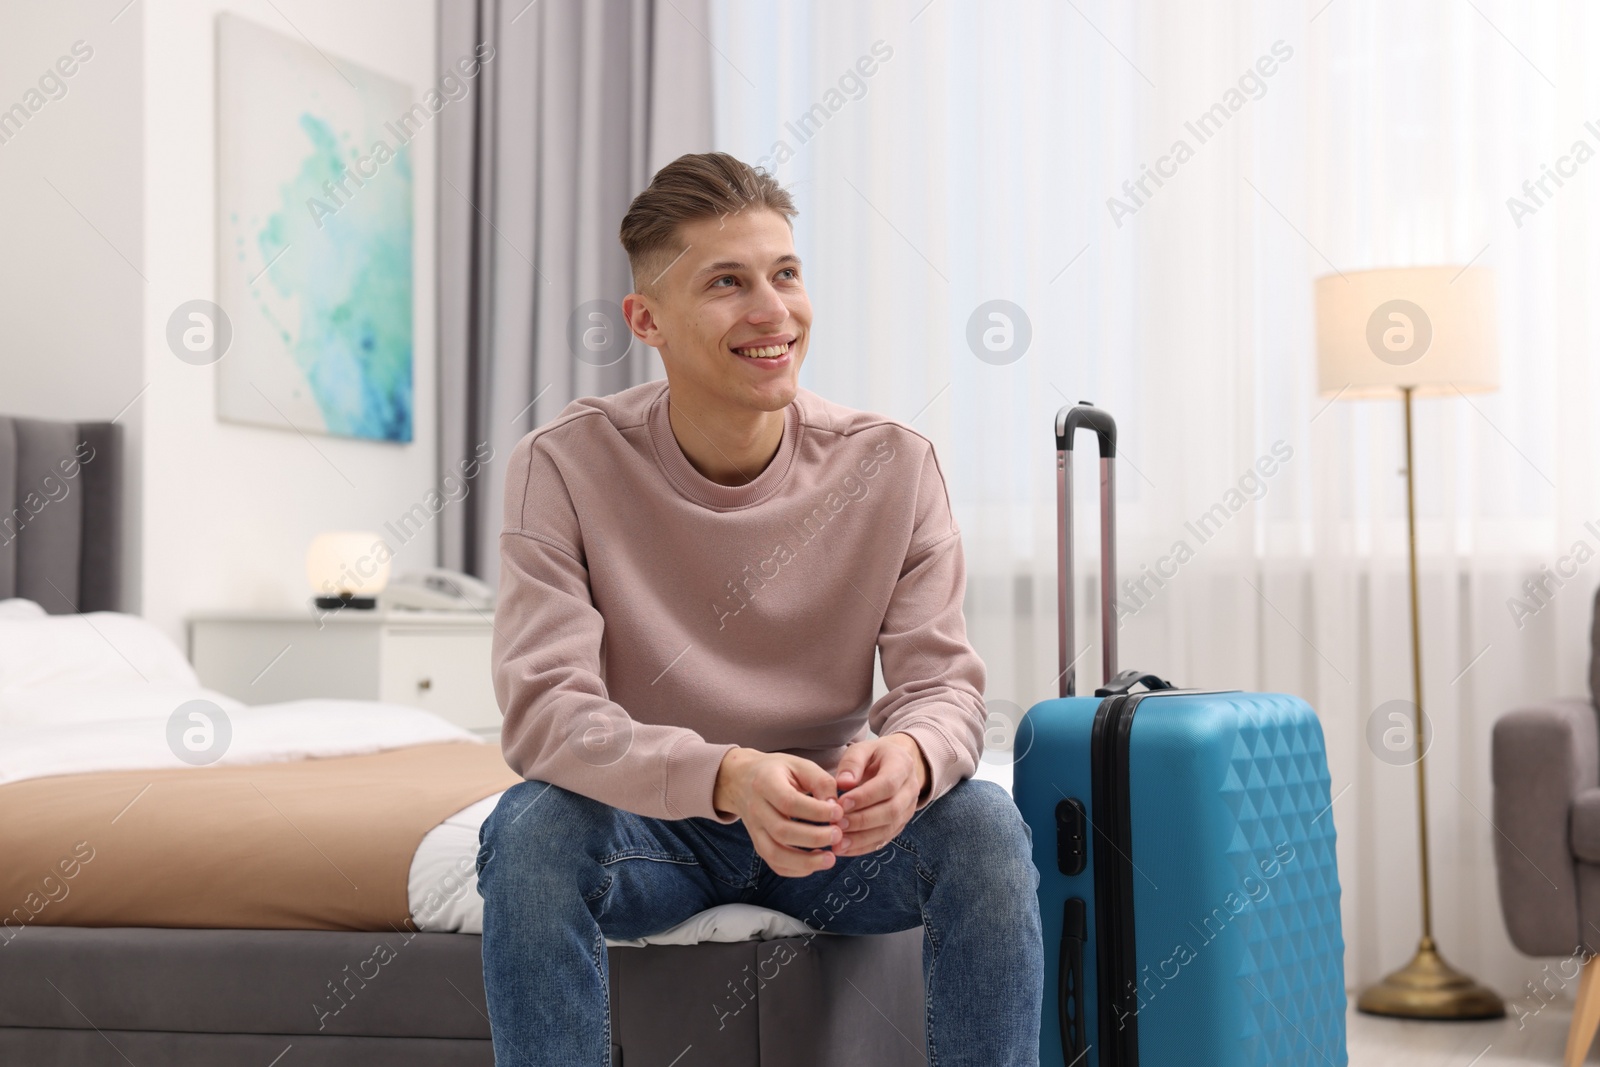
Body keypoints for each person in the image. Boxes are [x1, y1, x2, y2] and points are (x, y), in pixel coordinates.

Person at [476, 151, 1042, 1066]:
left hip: (837, 826)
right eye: (727, 283)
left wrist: (912, 755)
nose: (773, 310)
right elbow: (547, 714)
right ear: (646, 320)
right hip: (655, 824)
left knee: (983, 824)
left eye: (786, 273)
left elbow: (944, 689)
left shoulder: (893, 466)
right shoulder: (564, 467)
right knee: (532, 830)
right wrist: (731, 776)